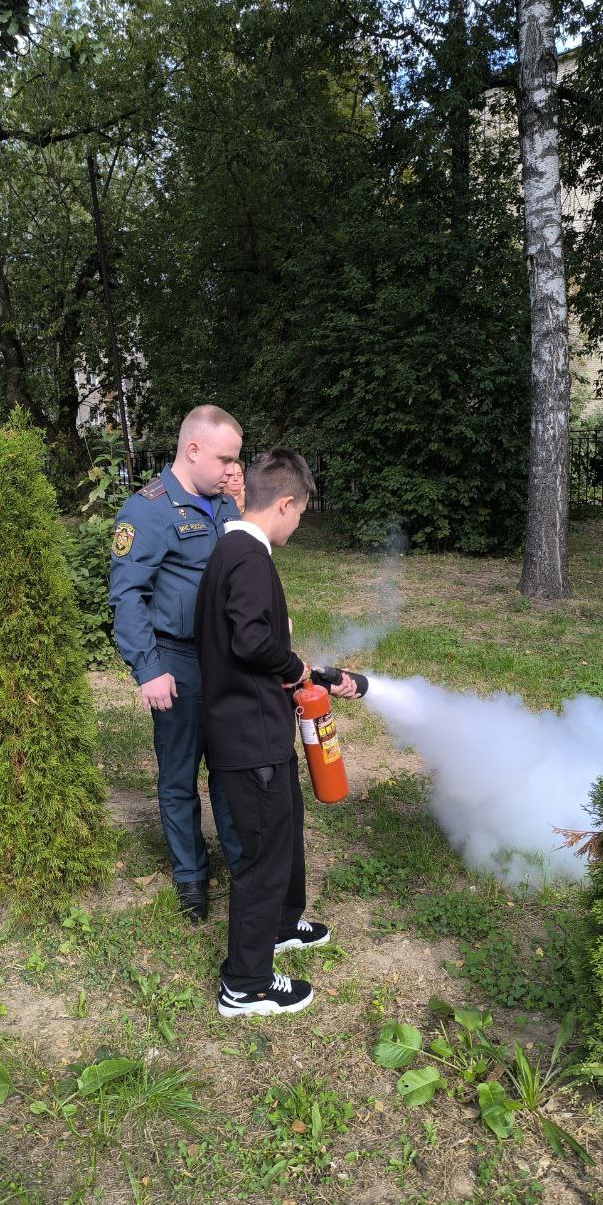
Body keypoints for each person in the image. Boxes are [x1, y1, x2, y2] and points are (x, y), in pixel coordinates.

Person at [194, 449, 358, 1017]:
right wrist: (293, 667)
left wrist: (287, 671)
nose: (298, 525)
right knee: (262, 857)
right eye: (301, 514)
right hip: (249, 737)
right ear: (285, 503)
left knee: (285, 830)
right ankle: (245, 984)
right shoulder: (247, 557)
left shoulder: (234, 550)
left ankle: (283, 924)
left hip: (261, 729)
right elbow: (250, 642)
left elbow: (248, 639)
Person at [109, 404, 244, 924]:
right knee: (179, 775)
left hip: (228, 662)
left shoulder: (225, 506)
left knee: (232, 768)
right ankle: (191, 876)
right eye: (225, 458)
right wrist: (148, 669)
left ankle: (241, 863)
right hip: (178, 662)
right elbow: (127, 596)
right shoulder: (148, 511)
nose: (233, 468)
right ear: (192, 450)